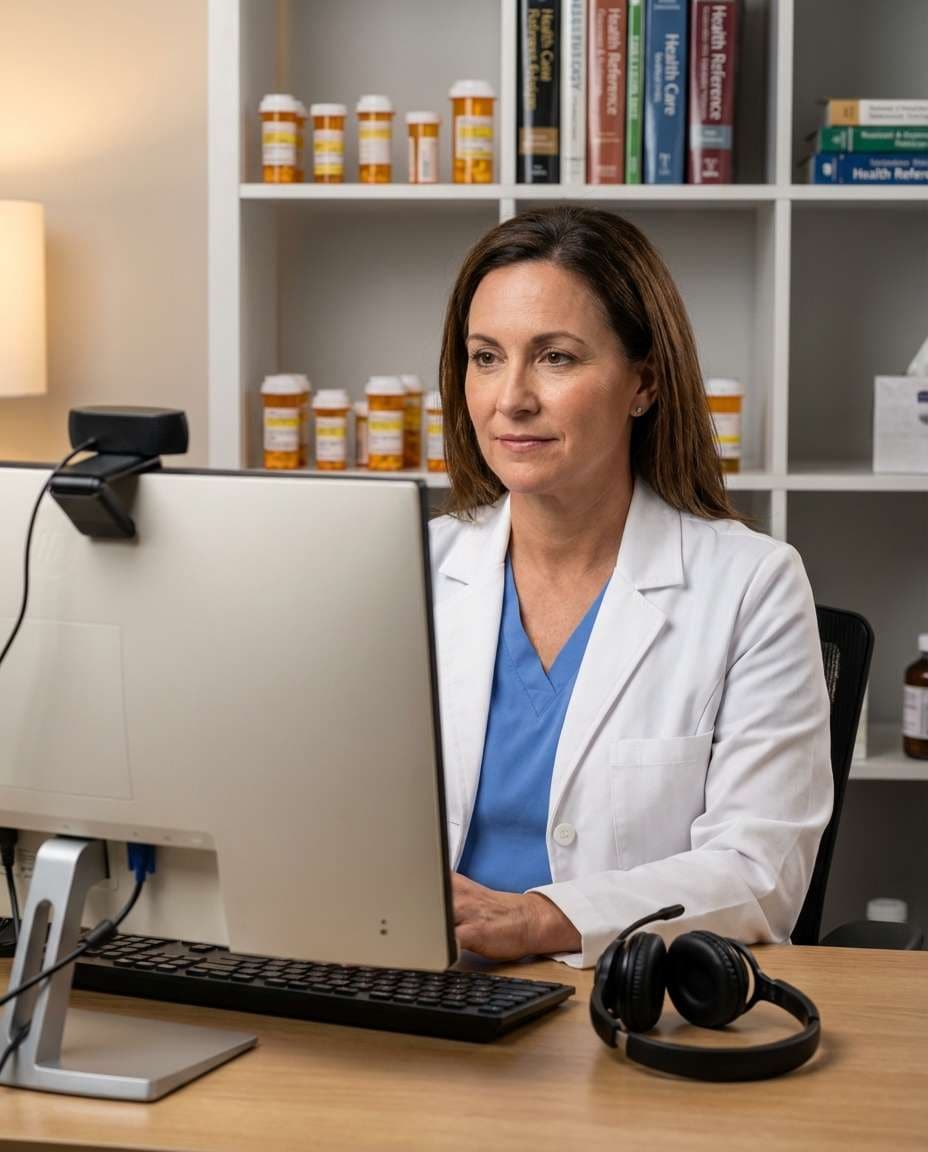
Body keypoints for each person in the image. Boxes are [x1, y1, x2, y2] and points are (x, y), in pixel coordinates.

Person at [429, 206, 832, 969]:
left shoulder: (751, 586)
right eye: (486, 357)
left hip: (625, 1005)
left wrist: (542, 919)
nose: (510, 397)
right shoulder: (409, 574)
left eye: (555, 358)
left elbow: (758, 872)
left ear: (643, 381)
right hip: (417, 991)